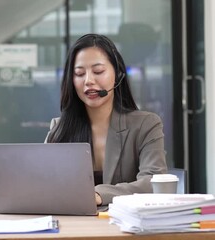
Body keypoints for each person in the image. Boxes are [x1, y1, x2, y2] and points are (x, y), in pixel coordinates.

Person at [45, 33, 167, 206]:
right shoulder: (59, 128)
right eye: (79, 74)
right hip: (73, 226)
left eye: (98, 71)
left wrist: (99, 195)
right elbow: (44, 183)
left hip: (124, 227)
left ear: (117, 74)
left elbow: (154, 182)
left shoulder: (146, 125)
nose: (88, 81)